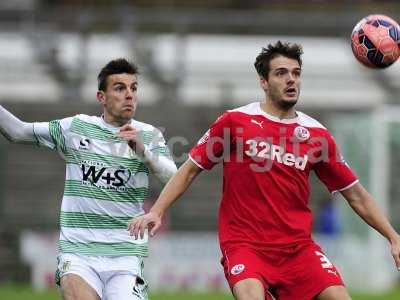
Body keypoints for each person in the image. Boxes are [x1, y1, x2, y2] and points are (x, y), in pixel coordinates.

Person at [128, 41, 400, 300]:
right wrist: (157, 210)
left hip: (298, 249)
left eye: (296, 73)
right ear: (264, 82)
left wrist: (393, 236)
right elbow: (189, 170)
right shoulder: (235, 122)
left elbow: (356, 195)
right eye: (281, 73)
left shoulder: (317, 135)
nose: (291, 79)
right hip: (245, 246)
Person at [0, 58, 177, 300]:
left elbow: (174, 178)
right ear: (101, 97)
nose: (129, 95)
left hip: (125, 256)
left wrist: (143, 152)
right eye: (119, 88)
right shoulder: (76, 128)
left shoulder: (148, 134)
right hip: (78, 253)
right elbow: (17, 131)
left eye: (134, 88)